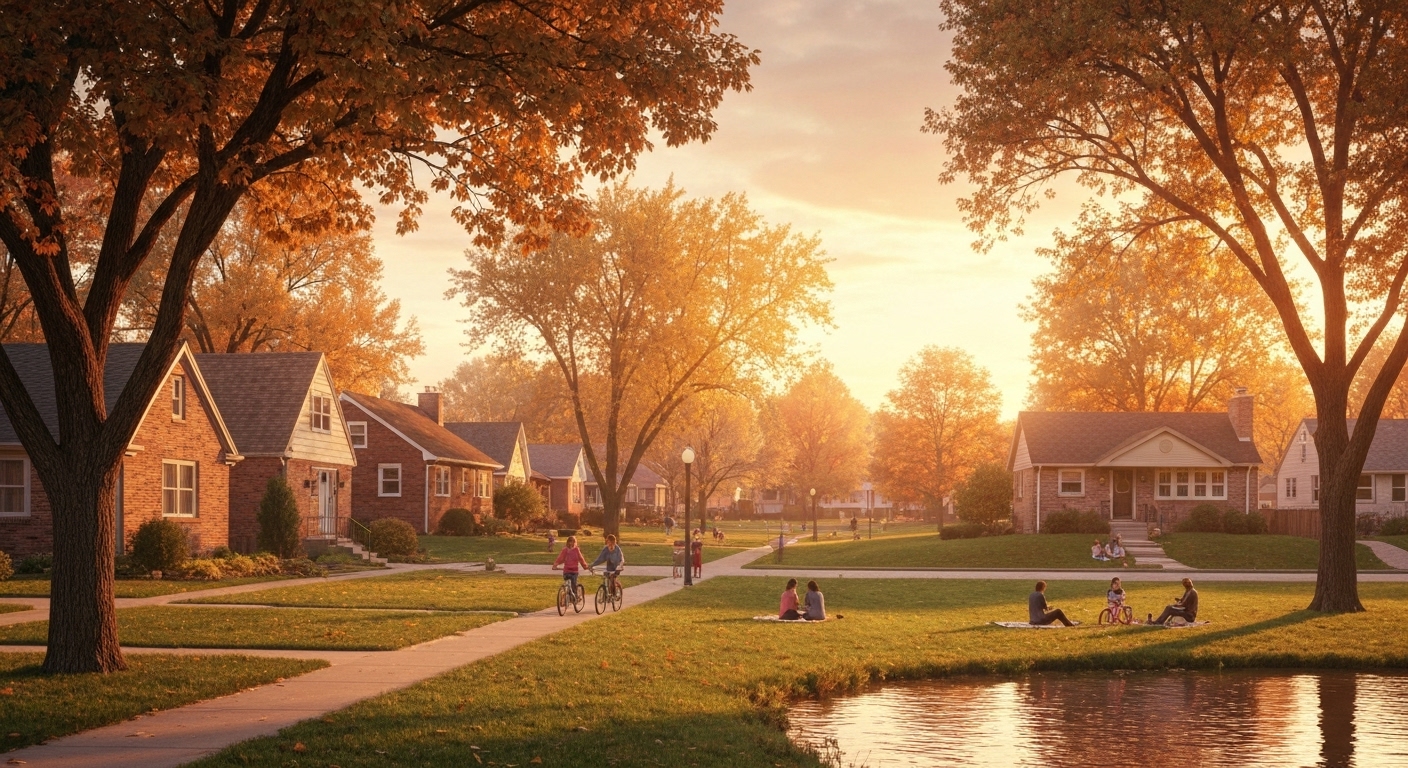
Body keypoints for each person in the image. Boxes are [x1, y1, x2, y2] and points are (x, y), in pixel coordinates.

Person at [552, 535, 591, 599]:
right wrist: (555, 565)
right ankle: (566, 596)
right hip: (566, 571)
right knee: (567, 584)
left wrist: (585, 566)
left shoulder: (576, 550)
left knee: (573, 584)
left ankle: (576, 596)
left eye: (573, 541)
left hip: (574, 571)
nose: (572, 543)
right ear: (568, 542)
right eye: (570, 541)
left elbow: (581, 559)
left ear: (575, 542)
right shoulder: (565, 550)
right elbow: (560, 558)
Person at [590, 533, 626, 597]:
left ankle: (614, 594)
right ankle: (606, 594)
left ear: (614, 542)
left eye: (612, 543)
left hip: (617, 567)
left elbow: (621, 559)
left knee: (612, 578)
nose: (610, 545)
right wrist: (592, 565)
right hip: (609, 567)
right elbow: (600, 559)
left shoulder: (617, 549)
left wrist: (620, 565)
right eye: (609, 542)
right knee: (606, 577)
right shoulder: (606, 549)